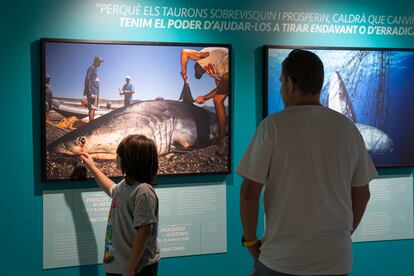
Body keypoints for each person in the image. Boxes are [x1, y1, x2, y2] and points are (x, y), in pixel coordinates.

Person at [237, 49, 377, 276]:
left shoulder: (272, 126)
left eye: (282, 82)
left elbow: (249, 193)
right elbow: (363, 194)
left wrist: (250, 243)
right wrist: (343, 234)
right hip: (336, 261)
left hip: (282, 260)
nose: (281, 89)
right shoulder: (348, 129)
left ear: (291, 83)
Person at [80, 134, 160, 276]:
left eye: (120, 155)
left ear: (132, 160)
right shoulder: (125, 185)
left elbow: (145, 230)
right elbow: (112, 189)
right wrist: (92, 167)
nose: (116, 157)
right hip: (119, 266)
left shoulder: (143, 191)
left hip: (137, 269)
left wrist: (130, 268)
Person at [180, 47, 229, 140]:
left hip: (231, 65)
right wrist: (204, 97)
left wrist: (184, 73)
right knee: (220, 99)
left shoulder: (201, 57)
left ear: (197, 65)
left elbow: (184, 52)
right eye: (200, 73)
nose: (201, 72)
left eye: (198, 71)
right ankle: (225, 132)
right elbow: (219, 89)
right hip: (227, 73)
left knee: (217, 100)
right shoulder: (214, 73)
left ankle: (222, 139)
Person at [84, 56, 103, 122]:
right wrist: (89, 92)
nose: (100, 64)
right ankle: (91, 126)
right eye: (99, 62)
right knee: (92, 108)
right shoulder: (91, 68)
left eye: (101, 62)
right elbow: (87, 79)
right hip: (92, 92)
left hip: (95, 92)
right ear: (96, 61)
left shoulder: (95, 69)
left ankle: (91, 123)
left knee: (93, 108)